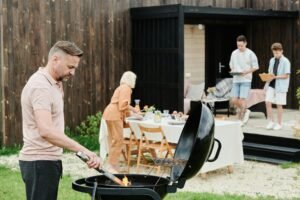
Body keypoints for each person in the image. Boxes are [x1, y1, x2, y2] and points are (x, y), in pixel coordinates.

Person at [19, 41, 101, 200]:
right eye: (70, 67)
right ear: (55, 59)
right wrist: (84, 150)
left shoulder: (53, 83)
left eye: (75, 68)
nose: (73, 73)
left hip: (46, 161)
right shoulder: (41, 86)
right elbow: (46, 131)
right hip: (39, 162)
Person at [102, 71, 141, 173]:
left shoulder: (121, 87)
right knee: (118, 140)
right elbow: (123, 105)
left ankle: (113, 165)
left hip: (109, 113)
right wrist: (135, 110)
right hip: (114, 114)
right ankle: (112, 166)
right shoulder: (126, 88)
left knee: (114, 140)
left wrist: (134, 115)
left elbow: (123, 107)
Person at [229, 35, 259, 125]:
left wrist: (246, 72)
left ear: (245, 43)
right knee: (233, 100)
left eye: (241, 45)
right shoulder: (234, 53)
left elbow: (256, 67)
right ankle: (246, 110)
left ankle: (240, 120)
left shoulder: (250, 53)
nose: (240, 47)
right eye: (238, 45)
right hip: (236, 79)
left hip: (246, 79)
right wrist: (233, 70)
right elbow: (231, 65)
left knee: (242, 100)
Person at [265, 43, 290, 130]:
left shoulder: (286, 61)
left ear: (281, 51)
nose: (275, 55)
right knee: (268, 102)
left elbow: (286, 75)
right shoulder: (272, 60)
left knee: (279, 104)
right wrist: (266, 81)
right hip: (271, 84)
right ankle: (271, 121)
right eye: (274, 53)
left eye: (277, 53)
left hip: (281, 86)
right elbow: (270, 73)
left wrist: (275, 77)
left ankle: (279, 124)